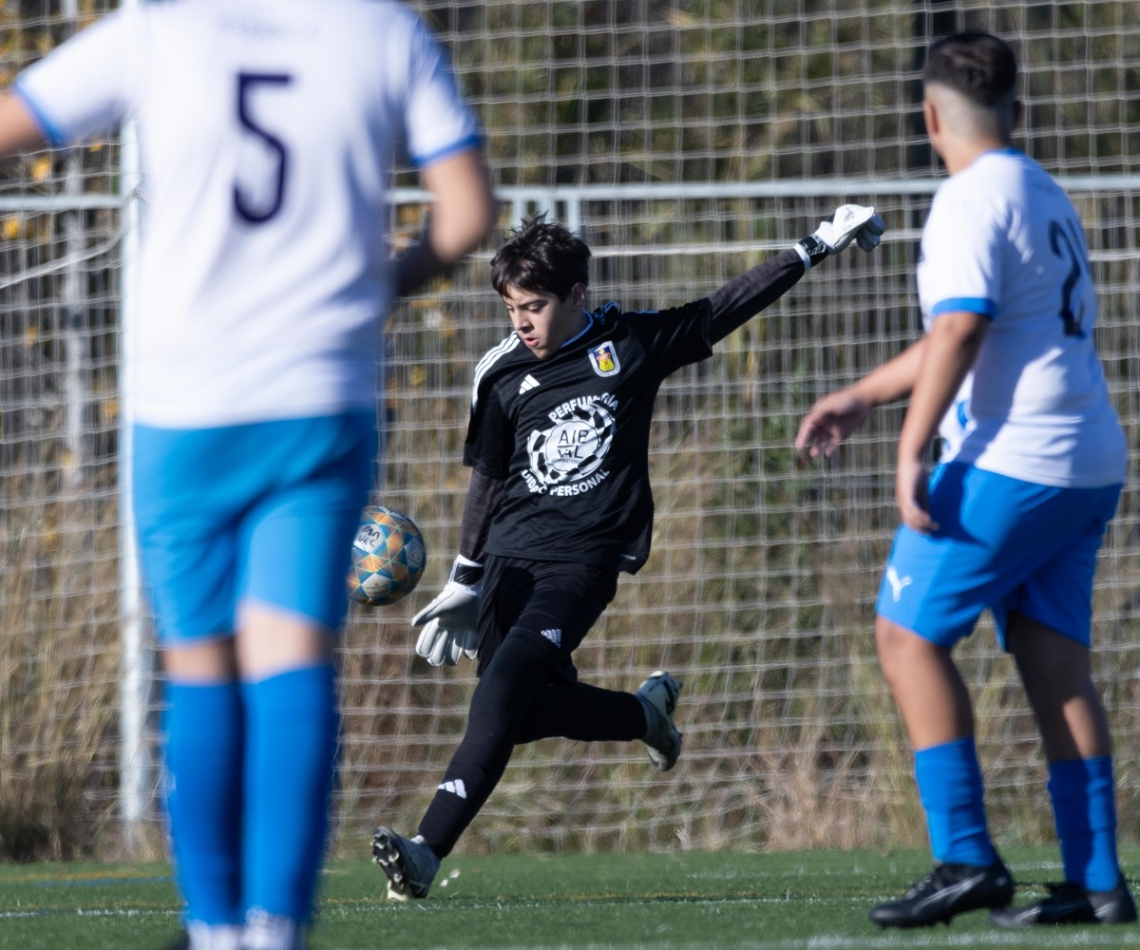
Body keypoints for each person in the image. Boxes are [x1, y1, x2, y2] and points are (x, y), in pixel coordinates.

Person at [0, 3, 495, 949]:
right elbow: (468, 212)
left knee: (201, 670)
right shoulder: (383, 31)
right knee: (291, 664)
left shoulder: (157, 29)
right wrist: (383, 283)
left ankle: (215, 928)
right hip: (317, 392)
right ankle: (274, 932)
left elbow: (18, 120)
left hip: (185, 404)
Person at [370, 206, 884, 900]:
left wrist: (816, 245)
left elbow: (722, 307)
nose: (522, 321)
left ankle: (426, 850)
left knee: (506, 685)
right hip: (507, 568)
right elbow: (489, 481)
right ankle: (645, 716)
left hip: (580, 565)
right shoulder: (500, 375)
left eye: (536, 306)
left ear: (577, 295)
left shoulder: (628, 347)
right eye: (512, 308)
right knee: (519, 712)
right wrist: (466, 576)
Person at [796, 32, 1135, 930]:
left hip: (1010, 462)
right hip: (1088, 461)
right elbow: (979, 326)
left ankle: (964, 859)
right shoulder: (1043, 192)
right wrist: (866, 394)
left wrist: (911, 452)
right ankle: (1099, 884)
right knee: (1055, 665)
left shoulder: (963, 199)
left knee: (906, 635)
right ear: (1017, 114)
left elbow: (960, 330)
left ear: (928, 117)